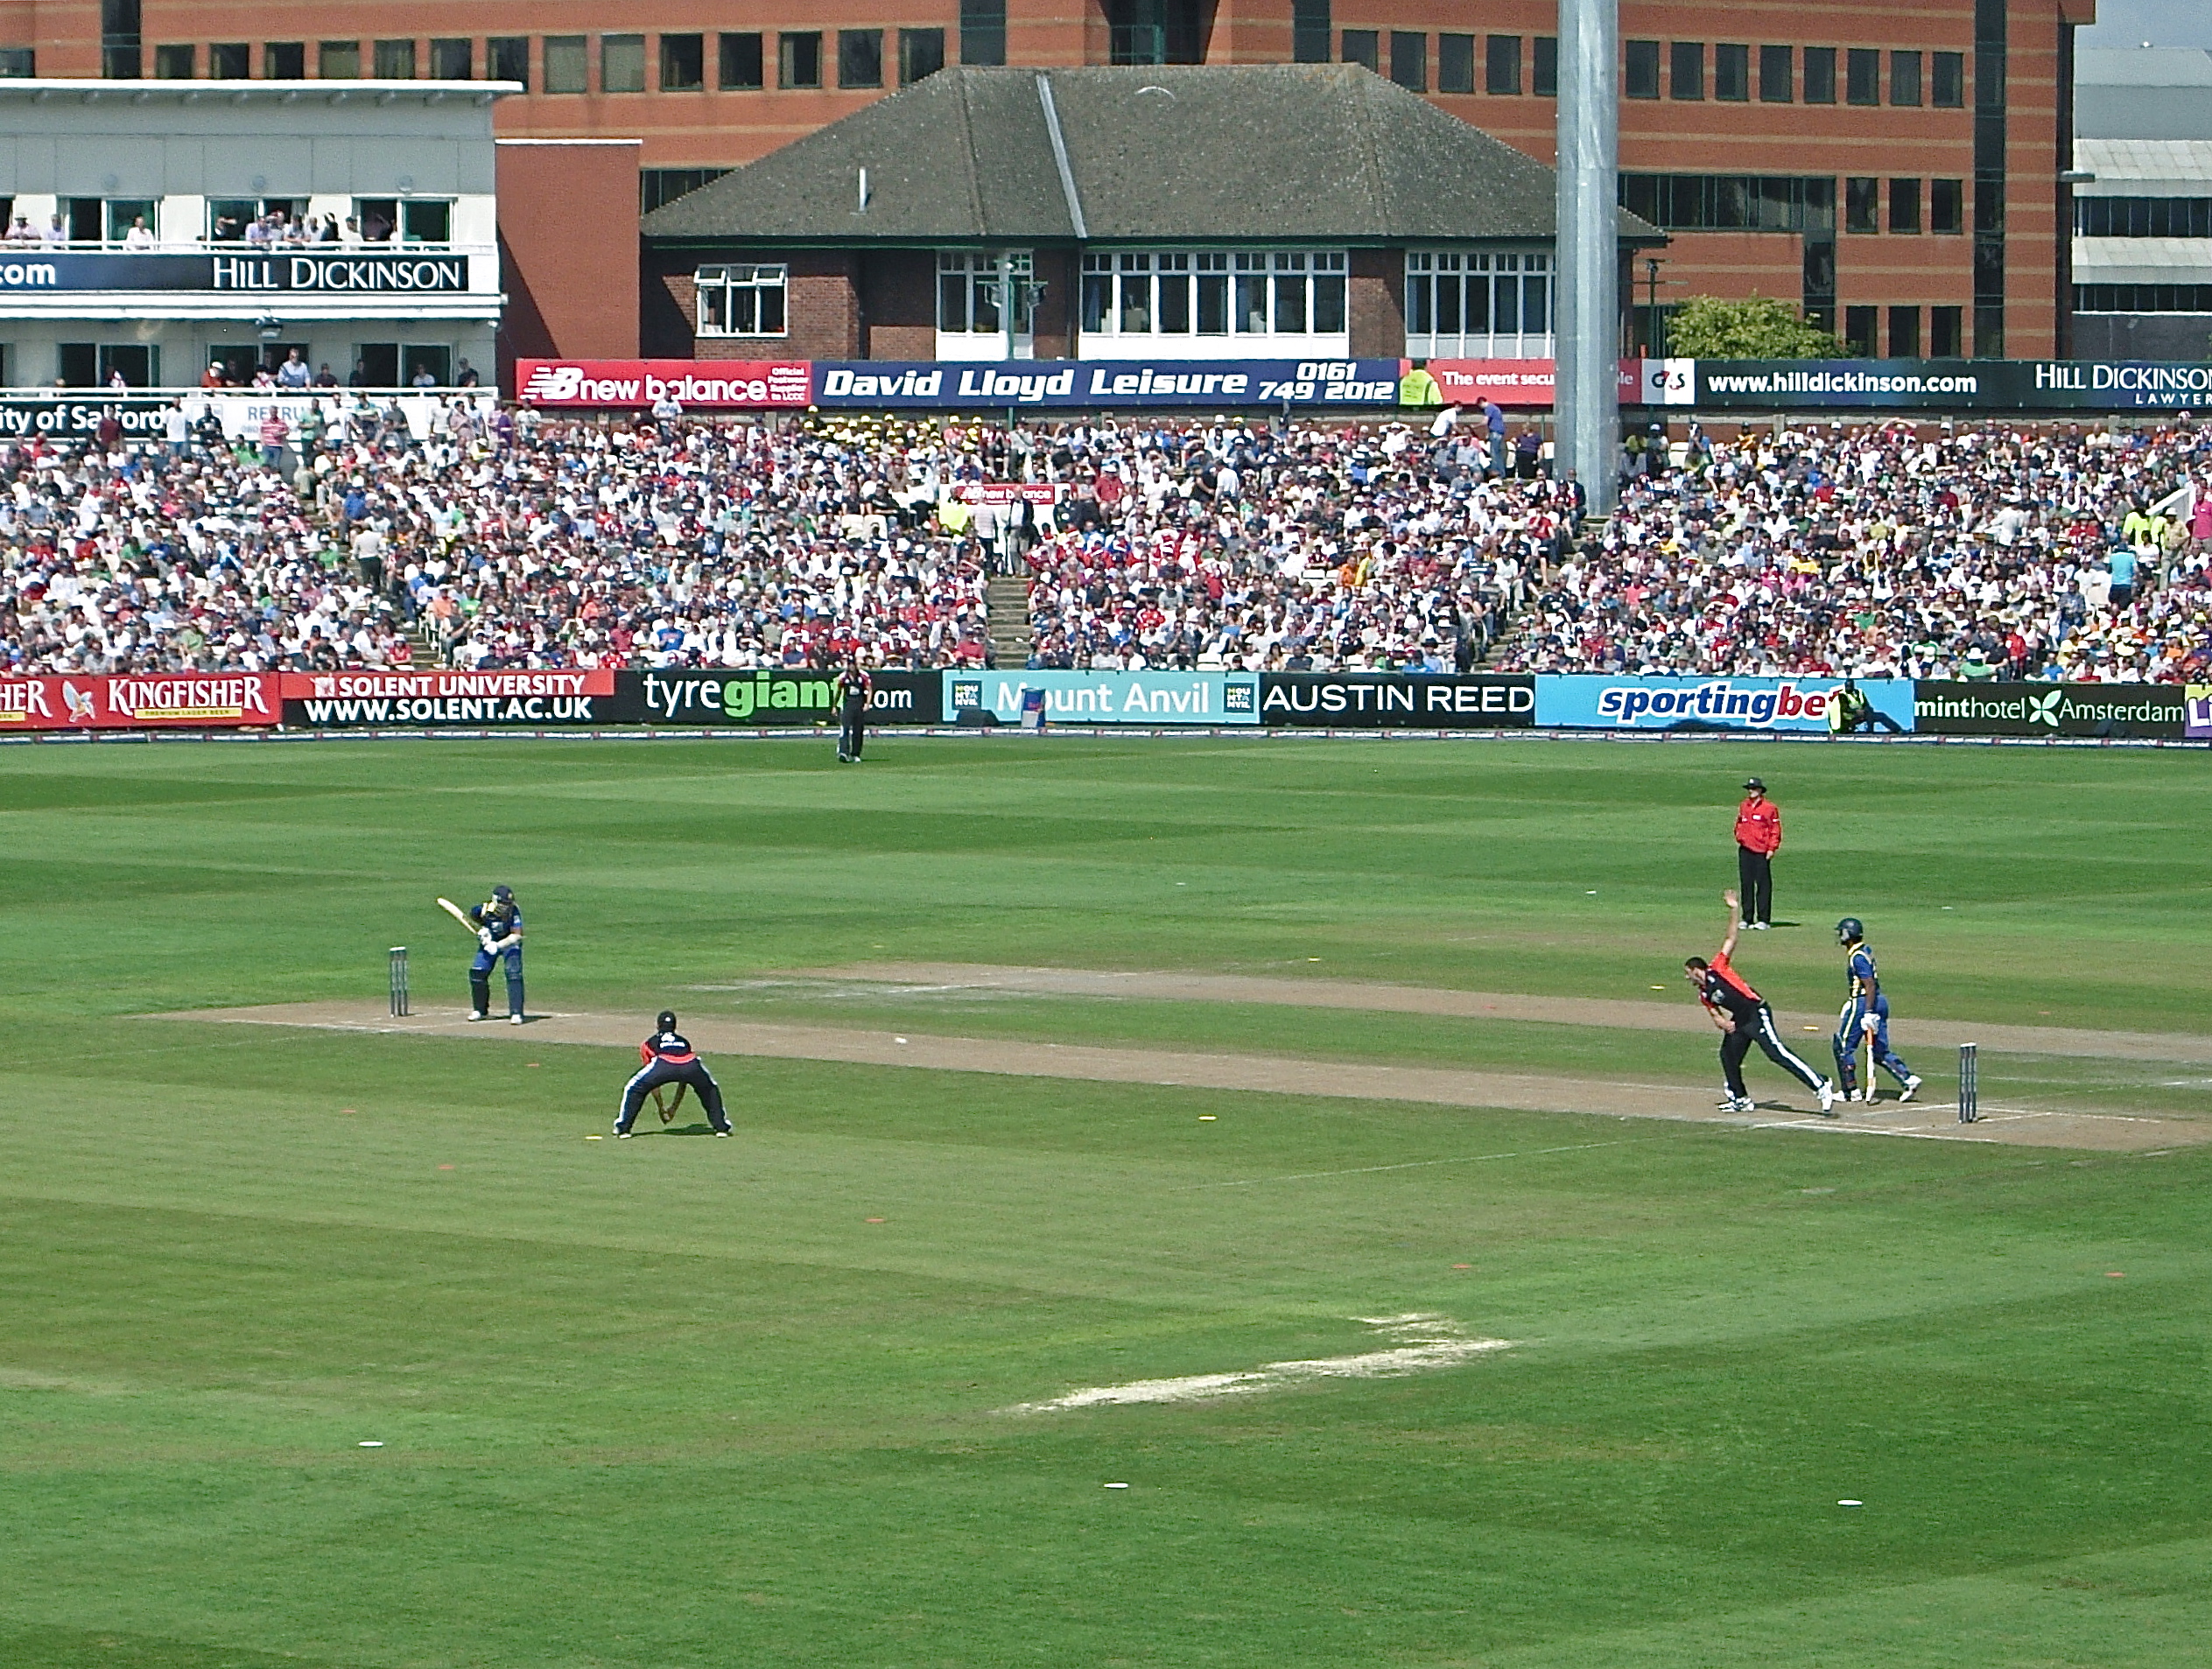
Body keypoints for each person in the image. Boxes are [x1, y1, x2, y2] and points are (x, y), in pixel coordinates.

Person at [1686, 890, 1836, 1116]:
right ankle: (1740, 1098)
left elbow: (1731, 938)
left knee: (1776, 1053)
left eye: (1688, 973)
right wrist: (1724, 1023)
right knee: (1728, 1055)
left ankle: (1820, 1084)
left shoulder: (1717, 968)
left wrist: (1734, 908)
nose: (1687, 978)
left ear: (1697, 969)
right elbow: (1715, 1015)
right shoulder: (1704, 993)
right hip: (1740, 1019)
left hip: (1756, 1011)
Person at [1830, 917, 1922, 1103]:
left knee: (1843, 1045)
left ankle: (1850, 1091)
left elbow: (1869, 984)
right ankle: (1908, 1079)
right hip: (1877, 1001)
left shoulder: (1857, 956)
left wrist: (1867, 1011)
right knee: (1879, 1049)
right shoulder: (1866, 950)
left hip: (1865, 1002)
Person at [614, 1011, 732, 1138]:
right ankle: (721, 1127)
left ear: (657, 1026)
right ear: (675, 1026)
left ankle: (623, 1129)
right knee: (709, 1088)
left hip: (663, 1064)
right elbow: (684, 1079)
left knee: (634, 1088)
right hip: (691, 1065)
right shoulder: (684, 1042)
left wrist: (661, 1107)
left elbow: (652, 1083)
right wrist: (674, 1108)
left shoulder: (649, 1043)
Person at [466, 884, 525, 1024]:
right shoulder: (484, 910)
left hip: (509, 944)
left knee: (513, 974)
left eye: (508, 903)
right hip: (490, 943)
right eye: (504, 903)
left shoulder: (514, 912)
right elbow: (472, 919)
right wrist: (483, 932)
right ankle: (480, 1010)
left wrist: (497, 946)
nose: (506, 906)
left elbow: (517, 935)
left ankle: (516, 1013)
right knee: (477, 972)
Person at [1732, 776, 1780, 930]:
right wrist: (1739, 836)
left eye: (1753, 789)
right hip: (1745, 849)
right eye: (1749, 789)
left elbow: (1775, 830)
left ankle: (1764, 919)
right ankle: (1747, 918)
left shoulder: (1769, 808)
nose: (1750, 792)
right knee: (1746, 884)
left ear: (1760, 790)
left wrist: (1772, 848)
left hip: (1761, 851)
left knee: (1763, 885)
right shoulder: (1744, 806)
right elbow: (1739, 823)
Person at [1827, 677, 1905, 735]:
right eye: (1847, 687)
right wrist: (1856, 711)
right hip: (1850, 717)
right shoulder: (1842, 695)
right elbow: (1845, 709)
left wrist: (1865, 710)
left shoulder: (1859, 692)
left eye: (1850, 687)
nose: (1848, 688)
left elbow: (1866, 704)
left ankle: (1897, 729)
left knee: (1880, 715)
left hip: (1862, 714)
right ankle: (1870, 732)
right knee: (1869, 715)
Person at [835, 656, 872, 762]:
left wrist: (867, 704)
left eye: (853, 664)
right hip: (847, 705)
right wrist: (834, 706)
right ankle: (843, 752)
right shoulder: (843, 677)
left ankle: (855, 753)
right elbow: (838, 691)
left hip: (859, 705)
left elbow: (869, 689)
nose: (852, 666)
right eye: (850, 664)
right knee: (845, 728)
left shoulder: (863, 676)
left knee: (858, 730)